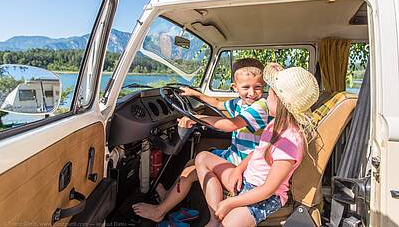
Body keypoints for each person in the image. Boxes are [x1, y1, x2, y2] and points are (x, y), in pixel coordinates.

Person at [132, 58, 271, 223]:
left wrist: (196, 118)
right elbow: (218, 104)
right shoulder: (239, 103)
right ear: (235, 88)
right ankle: (168, 198)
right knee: (191, 164)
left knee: (201, 161)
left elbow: (230, 125)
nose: (252, 93)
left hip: (248, 163)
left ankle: (161, 211)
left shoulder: (260, 106)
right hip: (235, 155)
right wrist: (195, 94)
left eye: (258, 87)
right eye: (246, 87)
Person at [195, 64, 319, 227]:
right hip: (247, 180)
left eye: (270, 94)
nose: (266, 99)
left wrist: (230, 203)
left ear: (279, 102)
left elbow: (268, 189)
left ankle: (219, 216)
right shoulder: (275, 124)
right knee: (202, 158)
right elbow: (258, 151)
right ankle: (214, 217)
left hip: (265, 197)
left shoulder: (290, 141)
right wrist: (239, 169)